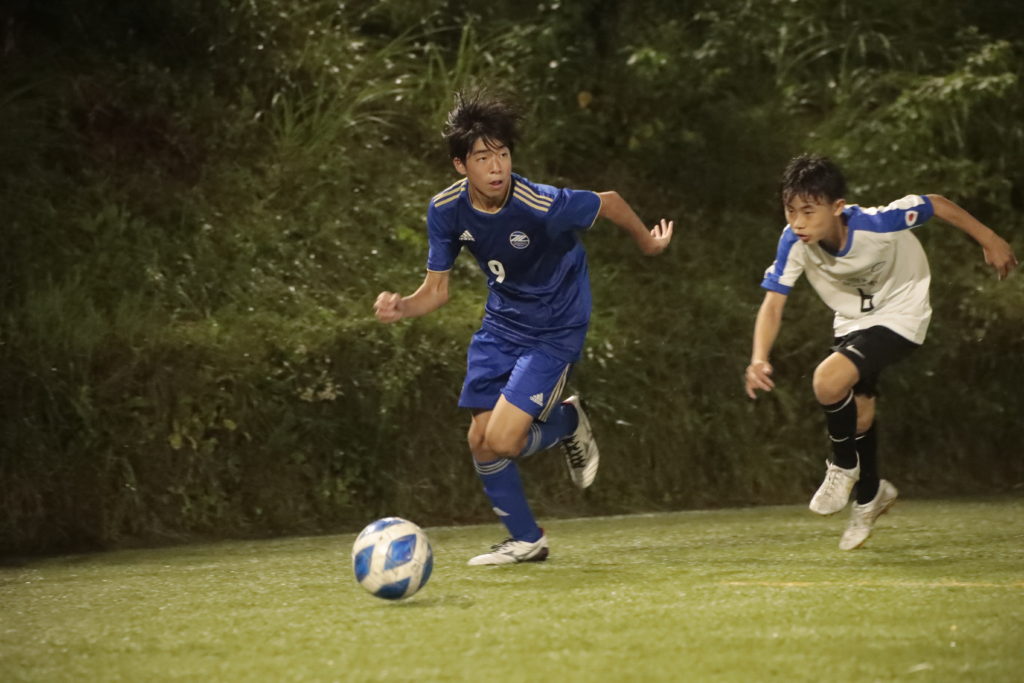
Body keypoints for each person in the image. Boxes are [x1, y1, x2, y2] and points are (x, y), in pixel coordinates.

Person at [374, 91, 673, 565]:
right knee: (480, 440)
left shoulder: (540, 202)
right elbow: (436, 291)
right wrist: (403, 308)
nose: (497, 167)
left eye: (503, 154)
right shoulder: (446, 209)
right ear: (460, 165)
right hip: (502, 323)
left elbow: (610, 203)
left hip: (556, 324)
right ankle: (527, 539)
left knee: (504, 441)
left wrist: (648, 244)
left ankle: (567, 422)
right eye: (482, 158)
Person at [744, 153, 1017, 550]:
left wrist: (990, 239)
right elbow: (773, 304)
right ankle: (870, 495)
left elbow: (935, 204)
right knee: (859, 412)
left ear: (837, 207)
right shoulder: (793, 241)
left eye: (808, 211)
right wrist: (758, 357)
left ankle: (843, 466)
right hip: (854, 321)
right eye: (790, 211)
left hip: (903, 312)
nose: (798, 222)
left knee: (827, 380)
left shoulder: (877, 223)